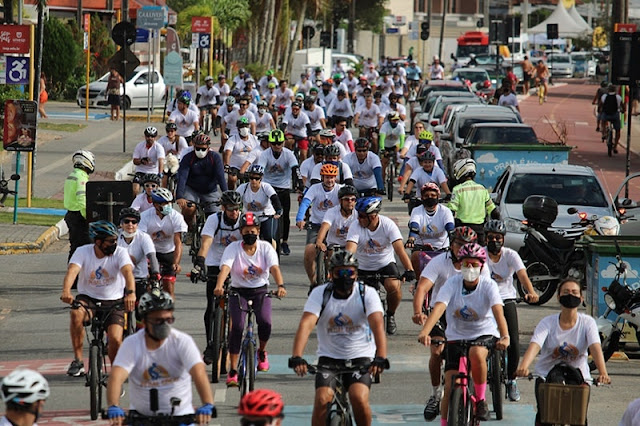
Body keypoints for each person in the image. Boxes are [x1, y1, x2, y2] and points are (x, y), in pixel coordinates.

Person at [290, 249, 389, 426]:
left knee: (358, 398)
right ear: (331, 274)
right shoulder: (320, 294)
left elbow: (377, 325)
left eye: (349, 272)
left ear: (356, 274)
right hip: (329, 358)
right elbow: (306, 324)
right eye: (340, 272)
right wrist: (297, 356)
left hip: (361, 357)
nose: (345, 276)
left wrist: (380, 357)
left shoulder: (368, 294)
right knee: (322, 400)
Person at [418, 243, 510, 423]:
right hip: (456, 336)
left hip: (483, 334)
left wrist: (505, 336)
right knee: (450, 383)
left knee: (476, 353)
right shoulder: (452, 283)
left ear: (481, 266)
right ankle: (445, 422)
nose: (470, 268)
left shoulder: (488, 285)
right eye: (466, 264)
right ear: (460, 265)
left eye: (474, 265)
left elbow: (498, 312)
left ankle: (481, 400)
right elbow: (439, 307)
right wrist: (425, 331)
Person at [106, 289, 215, 426]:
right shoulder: (132, 344)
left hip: (180, 418)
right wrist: (113, 406)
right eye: (158, 321)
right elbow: (116, 376)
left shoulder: (182, 341)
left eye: (168, 320)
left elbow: (199, 373)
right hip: (141, 419)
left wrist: (207, 404)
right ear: (144, 321)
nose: (164, 325)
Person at [412, 226, 486, 421]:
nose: (462, 248)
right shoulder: (438, 262)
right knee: (436, 351)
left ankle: (480, 398)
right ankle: (435, 395)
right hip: (442, 314)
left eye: (467, 245)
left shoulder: (478, 264)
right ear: (451, 244)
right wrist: (418, 312)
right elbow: (422, 288)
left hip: (471, 316)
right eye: (459, 244)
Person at [515, 279, 611, 424]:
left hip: (579, 376)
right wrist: (524, 366)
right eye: (566, 292)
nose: (570, 295)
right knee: (545, 416)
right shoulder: (547, 322)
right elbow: (535, 345)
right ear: (558, 297)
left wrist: (603, 373)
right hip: (547, 375)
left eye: (574, 292)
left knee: (578, 418)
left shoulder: (587, 322)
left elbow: (595, 347)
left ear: (581, 298)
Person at [214, 212, 287, 386]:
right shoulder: (233, 248)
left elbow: (274, 268)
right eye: (246, 231)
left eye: (252, 230)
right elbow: (225, 268)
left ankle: (261, 351)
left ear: (258, 231)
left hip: (260, 291)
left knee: (265, 322)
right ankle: (233, 369)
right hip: (238, 292)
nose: (249, 234)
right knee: (237, 327)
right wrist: (219, 285)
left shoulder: (266, 248)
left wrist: (280, 286)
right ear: (241, 231)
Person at [60, 220, 136, 377]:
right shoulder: (83, 251)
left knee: (115, 339)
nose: (114, 244)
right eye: (110, 241)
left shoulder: (120, 253)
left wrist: (131, 293)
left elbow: (128, 272)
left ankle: (117, 373)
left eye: (115, 240)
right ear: (98, 241)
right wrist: (66, 291)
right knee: (75, 313)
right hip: (89, 299)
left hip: (114, 302)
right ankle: (78, 361)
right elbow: (72, 271)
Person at [484, 219, 539, 402]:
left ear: (503, 239)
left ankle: (511, 379)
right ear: (485, 239)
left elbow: (522, 274)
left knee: (514, 341)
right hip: (485, 301)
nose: (494, 241)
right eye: (491, 237)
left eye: (498, 237)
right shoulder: (481, 255)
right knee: (481, 339)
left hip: (507, 299)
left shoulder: (510, 255)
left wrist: (531, 292)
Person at [345, 196, 416, 335]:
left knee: (394, 287)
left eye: (362, 216)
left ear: (373, 216)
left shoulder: (388, 225)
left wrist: (409, 269)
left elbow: (399, 249)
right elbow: (350, 249)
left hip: (385, 264)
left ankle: (390, 314)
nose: (359, 219)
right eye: (358, 215)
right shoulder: (355, 225)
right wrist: (345, 265)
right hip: (363, 266)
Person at [191, 190, 243, 363]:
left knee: (236, 309)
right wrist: (199, 263)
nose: (234, 212)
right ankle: (211, 345)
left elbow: (250, 244)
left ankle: (231, 341)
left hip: (236, 265)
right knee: (211, 308)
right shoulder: (214, 219)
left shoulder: (244, 221)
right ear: (223, 208)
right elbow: (206, 243)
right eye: (230, 209)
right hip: (215, 263)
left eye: (236, 208)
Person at [296, 164, 343, 287]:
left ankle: (330, 275)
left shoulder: (340, 189)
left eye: (332, 177)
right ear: (322, 177)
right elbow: (306, 202)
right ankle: (313, 282)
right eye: (327, 177)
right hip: (316, 225)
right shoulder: (315, 188)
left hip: (333, 226)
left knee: (333, 253)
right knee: (309, 253)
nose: (330, 180)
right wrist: (299, 218)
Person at [258, 129, 303, 255]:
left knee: (285, 216)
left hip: (283, 188)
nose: (277, 146)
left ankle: (285, 241)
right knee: (264, 214)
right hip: (268, 188)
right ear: (270, 144)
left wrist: (299, 182)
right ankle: (262, 238)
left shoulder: (288, 154)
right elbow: (260, 169)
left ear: (283, 143)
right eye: (274, 143)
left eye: (280, 143)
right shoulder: (265, 154)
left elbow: (296, 169)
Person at [139, 188, 188, 297]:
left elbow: (178, 243)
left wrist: (176, 263)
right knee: (145, 286)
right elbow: (141, 241)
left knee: (168, 288)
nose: (168, 206)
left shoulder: (176, 217)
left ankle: (169, 312)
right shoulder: (144, 217)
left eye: (169, 203)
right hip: (150, 253)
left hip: (168, 252)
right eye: (164, 203)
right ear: (156, 205)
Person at [176, 133, 227, 227]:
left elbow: (221, 177)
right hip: (191, 189)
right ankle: (188, 229)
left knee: (214, 217)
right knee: (189, 208)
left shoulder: (215, 158)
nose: (200, 151)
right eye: (197, 148)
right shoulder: (188, 158)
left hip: (210, 190)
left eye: (203, 149)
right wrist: (179, 196)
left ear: (208, 147)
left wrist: (226, 194)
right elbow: (182, 177)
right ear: (194, 147)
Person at [405, 183, 455, 272]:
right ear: (422, 197)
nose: (430, 198)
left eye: (433, 195)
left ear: (438, 196)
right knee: (415, 256)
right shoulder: (417, 210)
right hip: (421, 248)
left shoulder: (445, 211)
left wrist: (453, 241)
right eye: (426, 196)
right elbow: (414, 226)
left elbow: (450, 227)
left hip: (441, 248)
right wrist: (411, 239)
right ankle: (419, 282)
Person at [447, 158, 499, 245]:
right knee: (481, 255)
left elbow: (451, 211)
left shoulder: (457, 189)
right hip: (480, 231)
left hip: (463, 231)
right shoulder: (482, 189)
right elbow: (494, 211)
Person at [117, 208, 160, 303]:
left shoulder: (144, 237)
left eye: (134, 222)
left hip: (140, 279)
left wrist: (155, 273)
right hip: (119, 279)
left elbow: (152, 256)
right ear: (121, 223)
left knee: (141, 312)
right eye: (126, 221)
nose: (130, 225)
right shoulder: (115, 236)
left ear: (137, 224)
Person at [315, 185, 359, 272]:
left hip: (351, 245)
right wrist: (319, 241)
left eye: (353, 199)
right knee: (332, 259)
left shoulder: (358, 214)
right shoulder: (332, 212)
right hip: (334, 246)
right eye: (346, 199)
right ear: (340, 201)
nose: (350, 202)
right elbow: (325, 226)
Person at [236, 164, 283, 246]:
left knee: (269, 237)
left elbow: (274, 199)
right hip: (250, 217)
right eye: (251, 178)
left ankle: (273, 256)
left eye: (257, 178)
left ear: (261, 178)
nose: (254, 180)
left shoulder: (266, 187)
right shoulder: (243, 188)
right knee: (248, 236)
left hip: (266, 216)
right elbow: (235, 198)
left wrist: (278, 210)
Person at [64, 150, 95, 262]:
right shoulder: (81, 177)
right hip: (79, 216)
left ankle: (73, 272)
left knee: (75, 246)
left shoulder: (72, 175)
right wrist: (88, 217)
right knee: (85, 247)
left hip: (71, 214)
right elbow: (82, 199)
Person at [224, 117, 259, 190]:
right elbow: (228, 152)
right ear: (238, 128)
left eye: (246, 126)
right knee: (232, 178)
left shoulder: (254, 139)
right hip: (235, 167)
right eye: (242, 126)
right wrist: (227, 164)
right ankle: (230, 192)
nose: (244, 128)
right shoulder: (233, 139)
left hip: (250, 167)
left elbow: (259, 152)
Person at [132, 126, 165, 195]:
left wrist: (160, 173)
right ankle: (135, 204)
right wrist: (141, 161)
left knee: (155, 191)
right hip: (141, 171)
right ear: (145, 136)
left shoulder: (159, 147)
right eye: (148, 136)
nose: (150, 138)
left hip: (153, 172)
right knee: (135, 189)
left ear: (155, 137)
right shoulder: (139, 146)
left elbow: (161, 161)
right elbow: (135, 161)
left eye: (152, 136)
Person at [378, 112, 405, 182]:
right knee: (383, 164)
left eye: (397, 120)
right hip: (386, 146)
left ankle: (396, 167)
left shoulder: (400, 127)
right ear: (390, 120)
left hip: (395, 145)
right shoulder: (385, 126)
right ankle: (382, 181)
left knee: (398, 155)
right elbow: (382, 139)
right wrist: (382, 149)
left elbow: (402, 138)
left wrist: (401, 148)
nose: (395, 122)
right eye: (393, 120)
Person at [601, 84, 624, 153]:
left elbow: (601, 104)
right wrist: (623, 110)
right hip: (615, 115)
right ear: (615, 90)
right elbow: (622, 106)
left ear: (608, 90)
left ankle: (604, 133)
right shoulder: (618, 97)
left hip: (606, 114)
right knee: (617, 130)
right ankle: (615, 146)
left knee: (603, 121)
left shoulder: (604, 96)